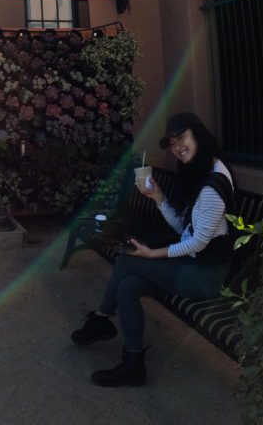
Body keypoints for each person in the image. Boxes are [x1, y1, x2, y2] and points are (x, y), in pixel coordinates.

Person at [69, 112, 236, 387]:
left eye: (182, 138)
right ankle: (133, 365)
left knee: (128, 262)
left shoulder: (212, 186)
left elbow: (197, 243)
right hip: (193, 264)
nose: (177, 147)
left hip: (205, 275)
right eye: (172, 143)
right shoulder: (202, 171)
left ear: (199, 134)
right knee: (128, 287)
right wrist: (158, 197)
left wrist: (151, 254)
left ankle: (100, 319)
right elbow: (184, 227)